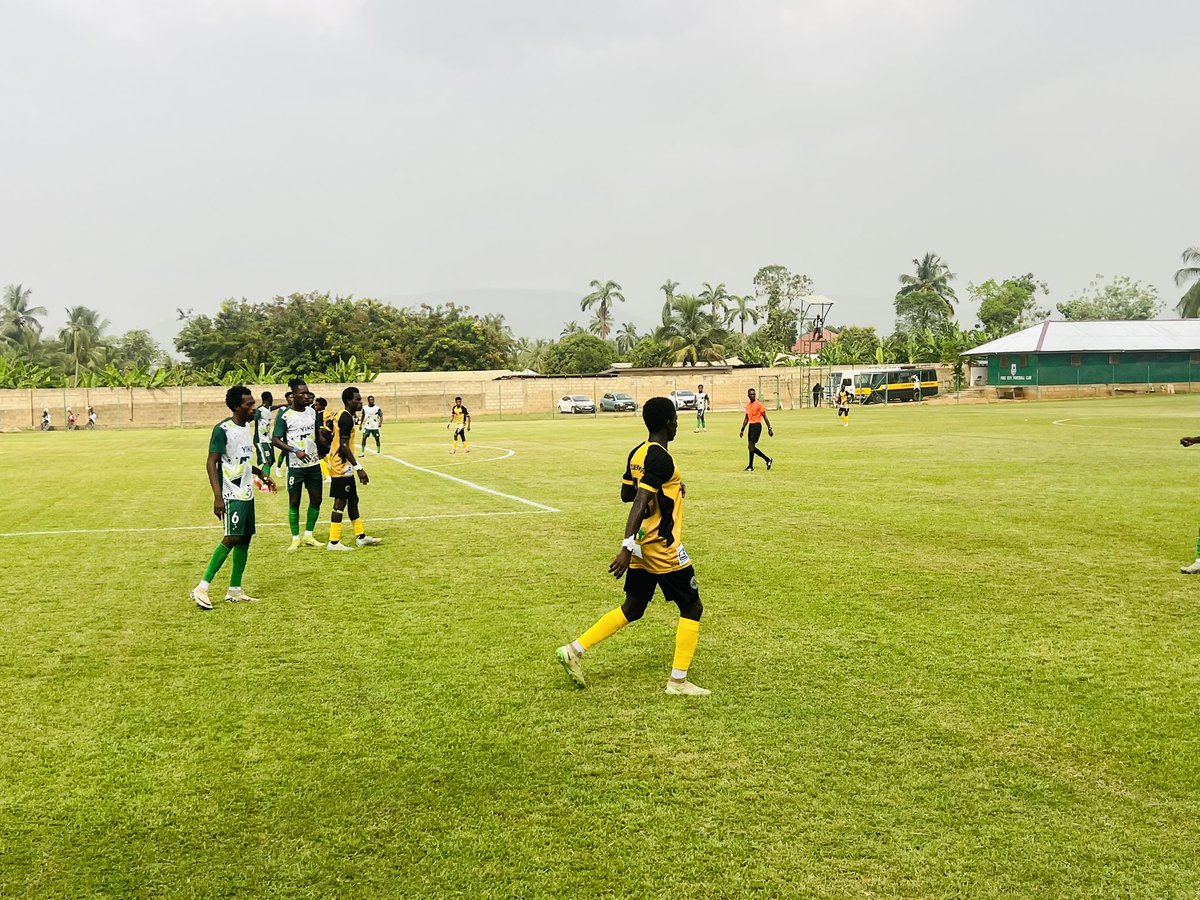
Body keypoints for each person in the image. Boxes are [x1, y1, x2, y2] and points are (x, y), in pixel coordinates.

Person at [555, 397, 710, 696]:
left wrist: (670, 489)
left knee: (634, 608)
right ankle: (677, 682)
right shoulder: (661, 458)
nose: (677, 424)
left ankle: (574, 650)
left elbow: (627, 493)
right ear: (667, 423)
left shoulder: (637, 453)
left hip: (642, 546)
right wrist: (625, 547)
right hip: (660, 546)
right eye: (675, 419)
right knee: (692, 606)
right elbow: (638, 502)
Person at [189, 386, 275, 610]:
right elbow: (211, 462)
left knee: (245, 538)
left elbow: (242, 461)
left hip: (246, 492)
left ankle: (235, 590)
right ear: (237, 407)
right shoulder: (223, 429)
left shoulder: (246, 427)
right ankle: (202, 587)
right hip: (231, 493)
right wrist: (218, 496)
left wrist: (261, 474)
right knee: (231, 537)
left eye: (254, 403)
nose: (253, 408)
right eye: (249, 405)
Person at [326, 386, 383, 551]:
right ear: (348, 401)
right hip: (341, 467)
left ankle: (361, 536)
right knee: (340, 502)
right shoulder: (346, 418)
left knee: (353, 499)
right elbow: (344, 446)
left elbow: (330, 433)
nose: (360, 402)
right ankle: (334, 542)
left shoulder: (342, 415)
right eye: (357, 399)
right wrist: (359, 467)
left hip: (344, 465)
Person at [271, 378, 324, 551]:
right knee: (294, 502)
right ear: (293, 395)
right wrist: (294, 450)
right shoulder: (285, 415)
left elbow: (317, 435)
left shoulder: (312, 412)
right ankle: (295, 538)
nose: (306, 395)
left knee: (316, 499)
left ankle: (308, 535)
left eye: (307, 392)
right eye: (302, 393)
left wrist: (328, 447)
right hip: (295, 467)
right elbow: (275, 440)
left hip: (314, 465)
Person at [739, 388, 774, 471]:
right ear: (748, 395)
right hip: (751, 426)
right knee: (750, 446)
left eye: (754, 394)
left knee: (751, 446)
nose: (753, 396)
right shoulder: (748, 405)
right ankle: (763, 461)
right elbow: (746, 418)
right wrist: (742, 429)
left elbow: (765, 417)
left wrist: (769, 428)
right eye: (751, 394)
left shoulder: (759, 404)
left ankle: (758, 463)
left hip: (757, 426)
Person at [254, 392, 283, 491]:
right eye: (271, 398)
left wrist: (282, 405)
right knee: (267, 462)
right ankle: (265, 485)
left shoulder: (268, 408)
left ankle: (258, 478)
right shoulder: (260, 410)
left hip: (268, 440)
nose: (272, 400)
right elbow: (252, 417)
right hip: (261, 440)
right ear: (267, 399)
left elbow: (272, 407)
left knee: (271, 461)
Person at [313, 397, 334, 483]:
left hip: (323, 438)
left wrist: (324, 432)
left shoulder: (325, 414)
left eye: (317, 405)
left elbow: (328, 426)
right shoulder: (317, 413)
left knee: (319, 457)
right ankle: (330, 469)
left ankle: (327, 476)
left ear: (322, 406)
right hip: (320, 438)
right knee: (324, 456)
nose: (315, 406)